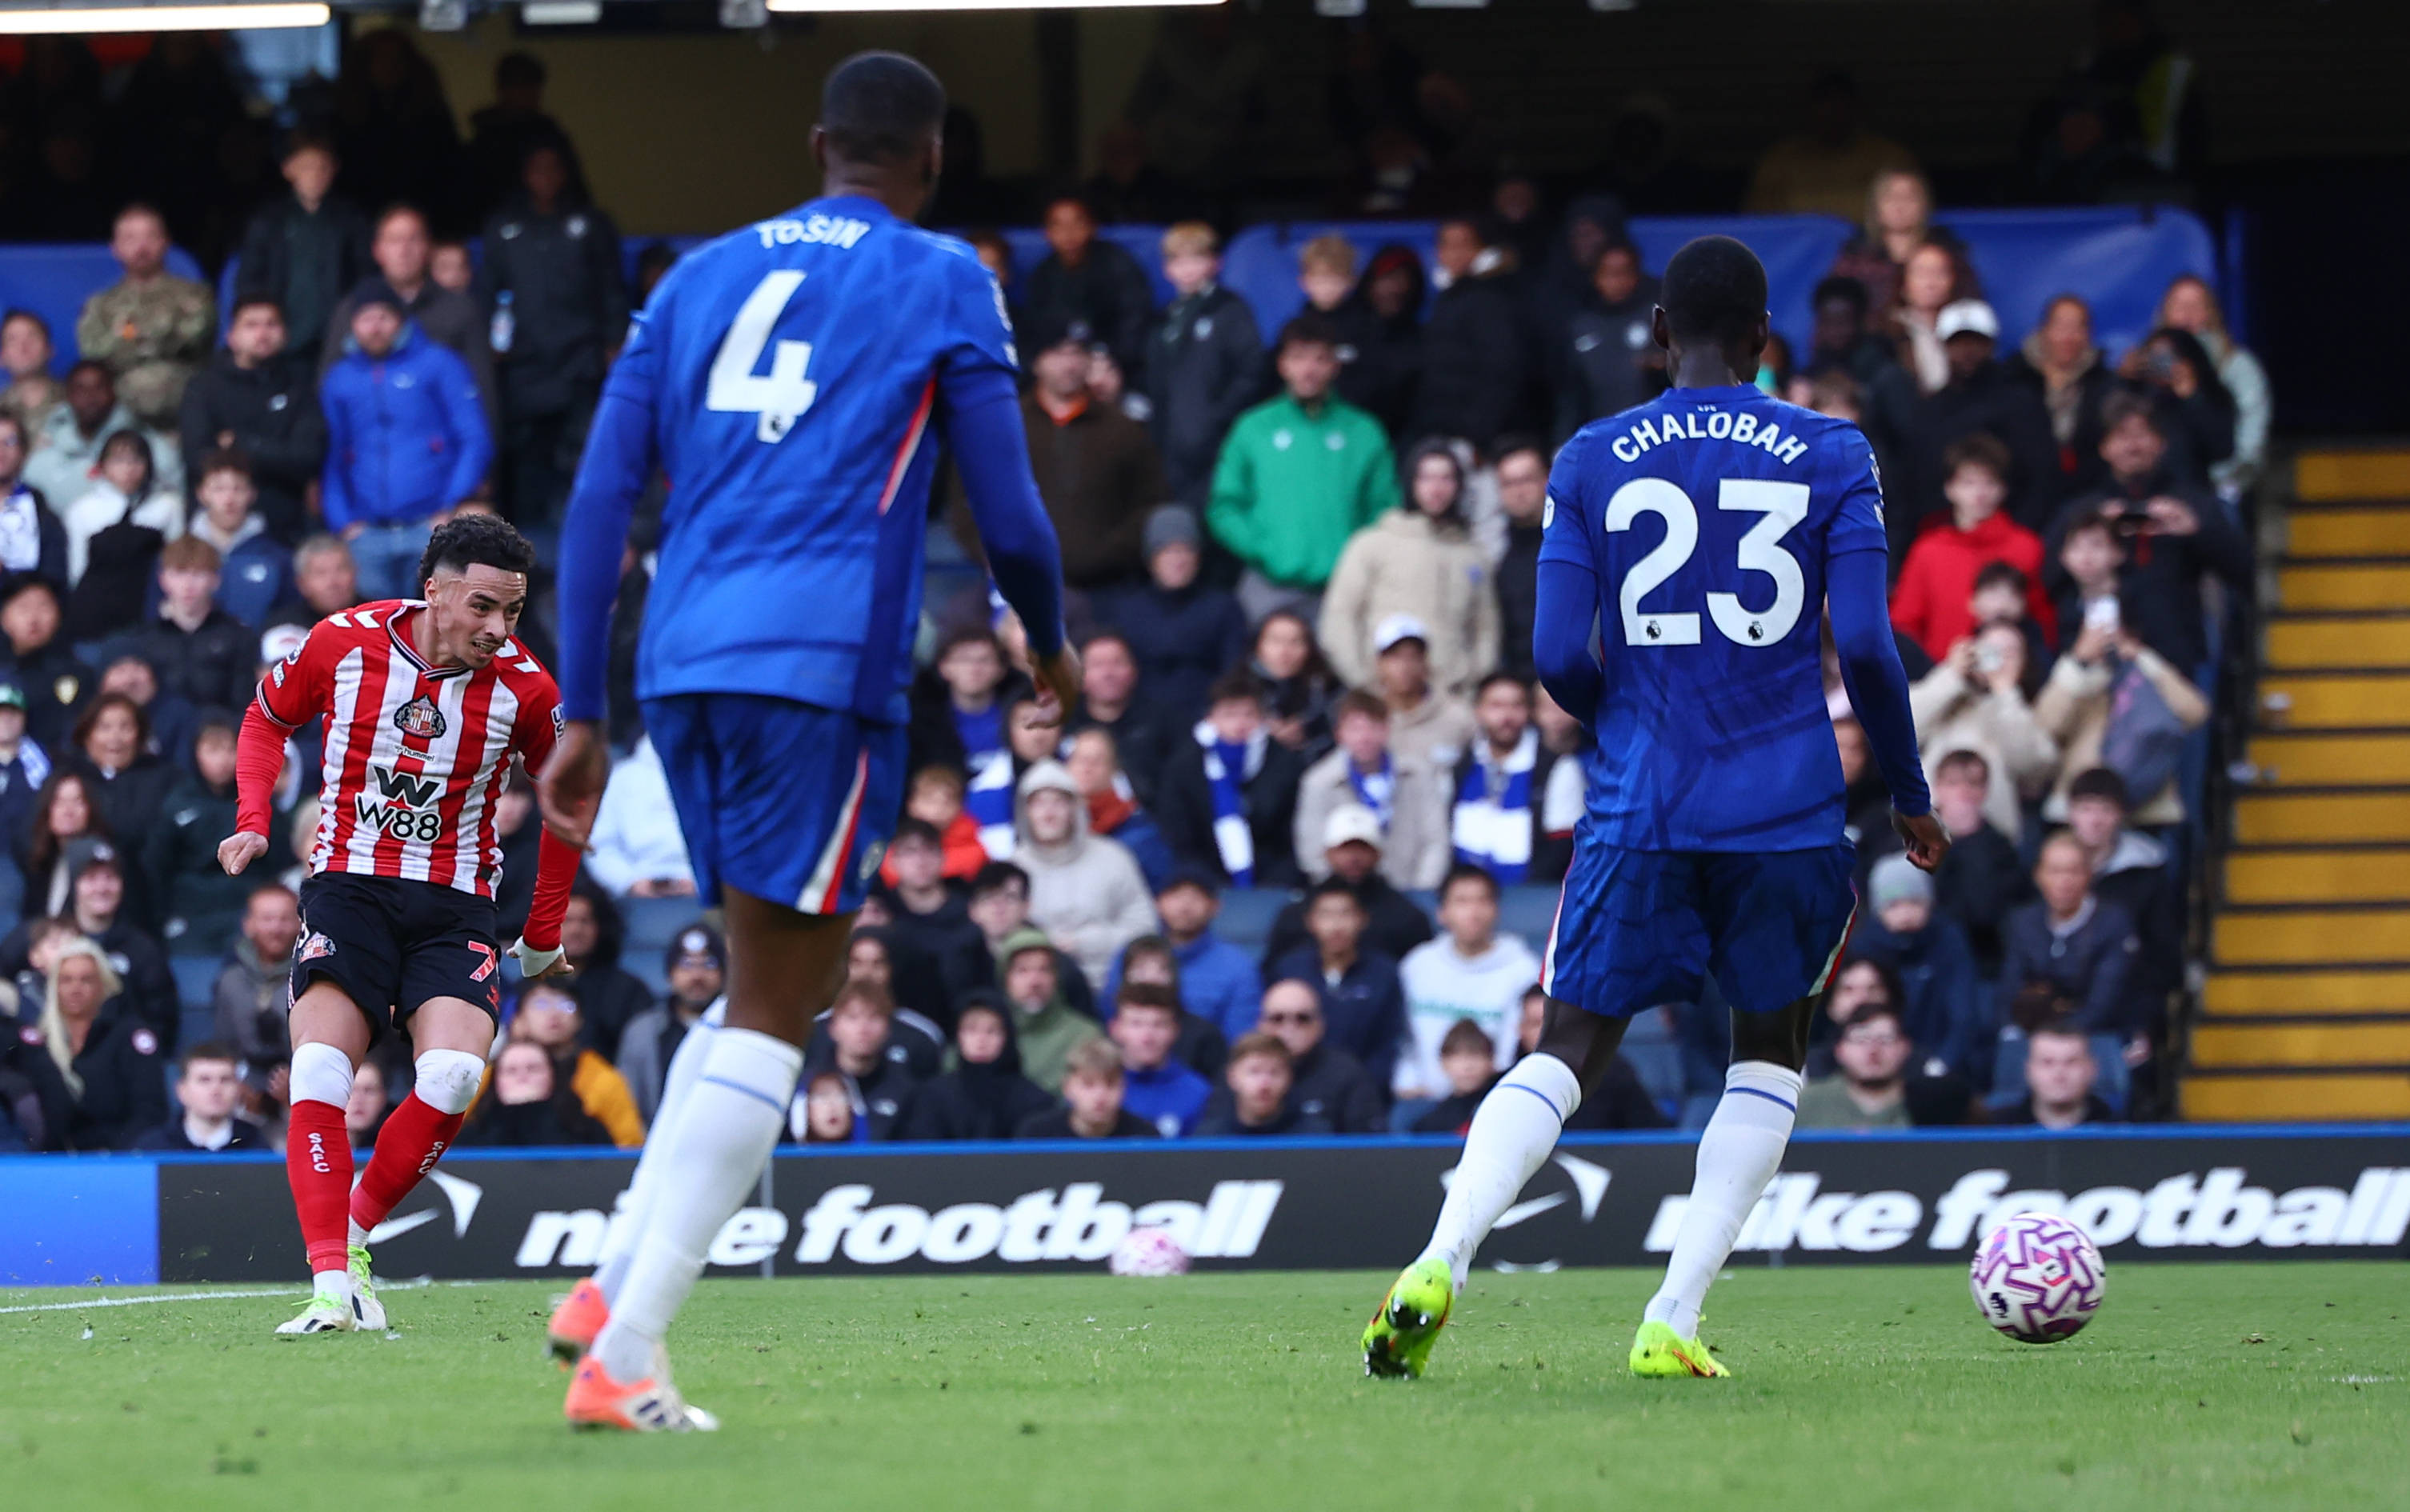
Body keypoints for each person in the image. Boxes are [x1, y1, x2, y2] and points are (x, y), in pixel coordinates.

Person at [538, 53, 1080, 1432]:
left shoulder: (696, 275)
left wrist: (588, 710)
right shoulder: (947, 274)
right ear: (933, 158)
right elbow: (1006, 510)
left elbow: (600, 497)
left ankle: (602, 1290)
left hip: (682, 669)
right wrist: (1047, 634)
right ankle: (628, 1356)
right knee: (787, 1011)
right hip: (817, 669)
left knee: (768, 981)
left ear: (818, 143)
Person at [1364, 235, 1946, 1382]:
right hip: (1784, 810)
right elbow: (1871, 644)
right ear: (1766, 337)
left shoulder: (1590, 455)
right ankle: (1671, 1314)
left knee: (1568, 1044)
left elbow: (1550, 656)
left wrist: (1616, 713)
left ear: (1661, 334)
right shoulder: (1833, 449)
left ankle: (1439, 1257)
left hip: (1641, 801)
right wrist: (1912, 795)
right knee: (1768, 1052)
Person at [218, 514, 583, 1337]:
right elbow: (265, 717)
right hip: (349, 890)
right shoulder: (341, 644)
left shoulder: (529, 691)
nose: (498, 629)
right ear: (435, 591)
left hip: (455, 908)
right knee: (316, 1070)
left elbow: (568, 806)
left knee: (455, 1076)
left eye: (512, 614)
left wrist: (544, 927)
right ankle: (325, 1288)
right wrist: (251, 815)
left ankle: (350, 1239)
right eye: (484, 607)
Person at [1207, 314, 1399, 626]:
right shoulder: (1254, 428)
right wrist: (1265, 551)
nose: (1309, 370)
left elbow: (1385, 509)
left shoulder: (1364, 432)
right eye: (1298, 358)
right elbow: (1224, 506)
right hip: (1267, 586)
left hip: (1343, 590)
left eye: (1320, 359)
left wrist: (1356, 562)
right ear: (1282, 365)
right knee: (1260, 674)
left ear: (1336, 366)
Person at [2044, 394, 2250, 674]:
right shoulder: (2083, 510)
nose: (2132, 446)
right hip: (2099, 655)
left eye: (2142, 434)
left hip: (2175, 653)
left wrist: (2196, 530)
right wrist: (2092, 535)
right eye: (2120, 436)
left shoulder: (2191, 502)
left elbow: (2243, 571)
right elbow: (2047, 577)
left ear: (2162, 444)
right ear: (2104, 448)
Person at [481, 142, 627, 526]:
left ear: (565, 174)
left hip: (580, 362)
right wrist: (491, 344)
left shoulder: (590, 223)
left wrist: (614, 342)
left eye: (552, 169)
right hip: (524, 367)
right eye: (536, 168)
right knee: (528, 466)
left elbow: (611, 287)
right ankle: (527, 560)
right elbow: (488, 292)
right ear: (525, 175)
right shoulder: (504, 226)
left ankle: (575, 543)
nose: (544, 178)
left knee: (581, 461)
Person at [318, 286, 494, 602]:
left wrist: (452, 505)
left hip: (431, 524)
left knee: (433, 626)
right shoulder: (339, 378)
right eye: (365, 318)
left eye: (384, 316)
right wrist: (342, 520)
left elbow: (474, 437)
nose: (375, 326)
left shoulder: (440, 363)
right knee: (377, 633)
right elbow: (329, 452)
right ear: (353, 324)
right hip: (365, 532)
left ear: (401, 320)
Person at [1320, 442, 1499, 699]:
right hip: (1384, 701)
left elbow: (1486, 629)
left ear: (1459, 485)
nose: (1436, 488)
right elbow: (1340, 618)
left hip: (1453, 701)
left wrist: (1472, 681)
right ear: (1409, 482)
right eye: (1426, 477)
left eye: (1446, 478)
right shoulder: (1372, 544)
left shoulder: (1471, 555)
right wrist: (1364, 683)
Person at [1006, 309, 1166, 594]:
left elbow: (1151, 501)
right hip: (1020, 583)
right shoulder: (1006, 424)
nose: (1070, 365)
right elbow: (969, 498)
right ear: (1037, 361)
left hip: (1108, 587)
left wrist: (1110, 552)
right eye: (1058, 353)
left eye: (1078, 353)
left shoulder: (1123, 429)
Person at [320, 206, 499, 435]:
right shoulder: (350, 310)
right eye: (394, 241)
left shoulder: (461, 310)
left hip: (444, 457)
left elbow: (484, 393)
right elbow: (328, 387)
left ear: (427, 249)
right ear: (377, 250)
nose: (404, 250)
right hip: (368, 453)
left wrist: (483, 466)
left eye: (413, 240)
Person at [1889, 434, 2056, 661]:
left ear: (2003, 489)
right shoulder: (1928, 550)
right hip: (1942, 677)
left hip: (2011, 676)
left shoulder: (2027, 547)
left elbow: (2042, 623)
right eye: (1968, 482)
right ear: (1950, 488)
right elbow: (1904, 625)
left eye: (1990, 482)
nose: (1979, 494)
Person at [1395, 863, 1539, 1114]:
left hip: (1495, 1103)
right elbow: (1401, 1037)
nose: (1473, 912)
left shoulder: (1524, 969)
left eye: (1482, 901)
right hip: (1421, 1100)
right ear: (1442, 912)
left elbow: (1517, 1044)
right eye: (1462, 901)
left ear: (1496, 910)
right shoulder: (1417, 965)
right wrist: (1408, 1080)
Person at [1996, 832, 2141, 1074]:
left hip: (2095, 1034)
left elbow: (2104, 1001)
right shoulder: (2023, 921)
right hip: (2032, 1035)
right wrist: (2013, 1028)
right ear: (2038, 876)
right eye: (2054, 871)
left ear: (2088, 875)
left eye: (2073, 871)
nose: (2064, 881)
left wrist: (2058, 1040)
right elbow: (2010, 987)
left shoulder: (2113, 922)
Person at [1011, 759, 1157, 993]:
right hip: (1038, 992)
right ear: (1025, 812)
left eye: (1058, 802)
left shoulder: (1113, 858)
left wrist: (1085, 943)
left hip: (1109, 987)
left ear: (1074, 809)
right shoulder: (1013, 868)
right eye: (1038, 804)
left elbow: (1144, 929)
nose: (1049, 813)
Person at [1908, 618, 2058, 842]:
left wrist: (2005, 693)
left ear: (2025, 664)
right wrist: (1952, 674)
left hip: (1993, 842)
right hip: (1925, 835)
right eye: (1989, 650)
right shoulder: (1946, 697)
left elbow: (2030, 766)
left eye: (2010, 654)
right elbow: (1901, 727)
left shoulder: (2030, 711)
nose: (1997, 660)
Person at [1154, 671, 1305, 890]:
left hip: (1274, 880)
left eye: (1248, 714)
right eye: (1230, 714)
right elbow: (1180, 839)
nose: (1240, 724)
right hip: (1203, 882)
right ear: (1211, 718)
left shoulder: (1285, 763)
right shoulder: (1185, 767)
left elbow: (1291, 838)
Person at [1147, 222, 1261, 507]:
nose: (1187, 269)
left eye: (1196, 259)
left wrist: (1216, 421)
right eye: (1178, 260)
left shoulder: (1231, 310)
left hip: (1217, 448)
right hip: (1171, 448)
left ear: (1215, 263)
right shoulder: (1166, 318)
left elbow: (1252, 373)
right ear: (1167, 268)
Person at [236, 134, 373, 366]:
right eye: (307, 167)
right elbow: (250, 279)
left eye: (323, 168)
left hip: (339, 337)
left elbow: (365, 274)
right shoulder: (269, 221)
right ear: (288, 170)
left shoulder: (351, 219)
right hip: (286, 338)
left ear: (334, 170)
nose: (316, 175)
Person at [1102, 508, 1246, 728]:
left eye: (1186, 550)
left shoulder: (1223, 608)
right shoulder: (1128, 610)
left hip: (1206, 719)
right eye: (1168, 551)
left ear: (1198, 557)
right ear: (1152, 559)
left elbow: (1233, 671)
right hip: (1139, 723)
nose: (1178, 560)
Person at [74, 204, 215, 429]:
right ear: (115, 247)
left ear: (166, 241)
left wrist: (128, 341)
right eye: (130, 238)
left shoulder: (195, 295)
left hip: (186, 409)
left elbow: (191, 339)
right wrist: (159, 337)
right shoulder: (100, 305)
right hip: (120, 416)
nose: (141, 247)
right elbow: (93, 352)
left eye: (150, 236)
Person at [1294, 690, 1450, 892]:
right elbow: (1312, 850)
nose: (1365, 737)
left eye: (1373, 727)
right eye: (1355, 729)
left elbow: (1435, 840)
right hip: (1344, 897)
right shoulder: (1319, 781)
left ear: (1387, 730)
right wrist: (1341, 895)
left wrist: (1422, 890)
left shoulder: (1418, 773)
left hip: (1410, 890)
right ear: (1339, 734)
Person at [1412, 217, 1541, 454]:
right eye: (1447, 245)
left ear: (1480, 249)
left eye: (1464, 244)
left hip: (1479, 442)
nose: (1455, 253)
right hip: (1443, 435)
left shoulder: (1491, 299)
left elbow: (1503, 372)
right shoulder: (1446, 298)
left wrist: (1478, 437)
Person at [1267, 878, 1407, 1089]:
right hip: (1293, 1089)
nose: (1336, 925)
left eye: (1345, 914)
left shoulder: (1383, 973)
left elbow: (1387, 1044)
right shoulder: (1289, 969)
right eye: (1326, 915)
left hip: (1362, 1091)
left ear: (1363, 919)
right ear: (1310, 921)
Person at [37, 938, 166, 1150]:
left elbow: (150, 1111)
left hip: (117, 1158)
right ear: (54, 987)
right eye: (66, 980)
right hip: (54, 1161)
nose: (75, 989)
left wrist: (113, 1158)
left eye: (86, 980)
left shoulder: (131, 1036)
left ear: (103, 985)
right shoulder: (39, 1042)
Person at [24, 362, 180, 533]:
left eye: (99, 388)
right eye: (81, 389)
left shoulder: (150, 448)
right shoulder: (43, 457)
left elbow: (176, 502)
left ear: (113, 393)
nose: (90, 397)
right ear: (68, 396)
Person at [1743, 70, 1919, 221]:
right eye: (1826, 107)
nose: (1833, 116)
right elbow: (1759, 221)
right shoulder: (1780, 161)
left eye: (1840, 107)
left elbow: (1915, 216)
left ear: (1855, 110)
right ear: (1810, 111)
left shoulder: (1889, 157)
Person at [141, 711, 251, 949]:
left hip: (243, 916)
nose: (222, 759)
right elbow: (157, 865)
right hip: (188, 917)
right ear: (195, 753)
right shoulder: (176, 803)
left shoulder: (256, 802)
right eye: (212, 749)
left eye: (230, 749)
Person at [2156, 274, 2268, 501]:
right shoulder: (2148, 365)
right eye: (2179, 305)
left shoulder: (2236, 365)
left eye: (2196, 305)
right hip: (2160, 491)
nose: (2187, 313)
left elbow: (2250, 445)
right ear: (2165, 314)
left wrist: (2216, 487)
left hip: (2221, 490)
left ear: (2211, 314)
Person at [1450, 674, 1566, 886]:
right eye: (1496, 706)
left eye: (1516, 706)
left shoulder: (1556, 767)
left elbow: (1561, 849)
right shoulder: (1462, 764)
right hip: (1467, 895)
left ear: (1529, 711)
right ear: (1479, 711)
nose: (1507, 716)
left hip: (1529, 898)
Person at [1019, 194, 1155, 377]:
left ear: (1093, 227)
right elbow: (1035, 331)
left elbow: (1134, 323)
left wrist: (1112, 360)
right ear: (1047, 233)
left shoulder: (1119, 265)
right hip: (1059, 363)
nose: (1068, 233)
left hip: (1111, 364)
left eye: (1077, 223)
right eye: (1058, 225)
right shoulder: (1042, 275)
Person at [504, 978, 645, 1147]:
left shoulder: (605, 1080)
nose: (554, 1014)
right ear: (517, 1018)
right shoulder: (493, 1075)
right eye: (540, 1004)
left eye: (566, 1005)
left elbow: (628, 1148)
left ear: (581, 1019)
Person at [896, 990, 1054, 1141]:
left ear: (1007, 1037)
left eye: (992, 1031)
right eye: (971, 1030)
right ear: (959, 1036)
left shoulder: (1035, 1101)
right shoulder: (931, 1097)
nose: (981, 1040)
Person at [1236, 974, 1383, 1134]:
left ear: (1320, 1025)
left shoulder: (1347, 1074)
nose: (1289, 1028)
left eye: (1302, 1018)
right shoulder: (1241, 1069)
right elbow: (1214, 1138)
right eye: (1278, 1018)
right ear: (1261, 1024)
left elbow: (1369, 1147)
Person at [1131, 866, 1260, 1044]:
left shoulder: (1238, 968)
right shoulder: (1134, 954)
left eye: (1195, 897)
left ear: (1216, 907)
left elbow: (1240, 1041)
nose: (1185, 907)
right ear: (1157, 902)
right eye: (1176, 895)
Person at [130, 537, 258, 715]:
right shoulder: (143, 639)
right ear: (163, 579)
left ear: (215, 580)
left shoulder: (239, 636)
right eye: (179, 573)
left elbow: (244, 704)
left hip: (222, 735)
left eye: (198, 574)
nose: (188, 585)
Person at [613, 926, 727, 1123]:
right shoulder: (643, 1031)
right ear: (669, 975)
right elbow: (628, 1102)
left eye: (709, 964)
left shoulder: (737, 1029)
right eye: (687, 964)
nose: (697, 976)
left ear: (724, 974)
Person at [1555, 240, 1661, 441]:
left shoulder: (1660, 320)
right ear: (1596, 277)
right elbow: (1571, 396)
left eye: (1625, 272)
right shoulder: (1581, 327)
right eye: (1610, 273)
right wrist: (1561, 441)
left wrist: (1661, 369)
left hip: (1655, 438)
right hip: (1600, 440)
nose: (1618, 281)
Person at [186, 451, 295, 628]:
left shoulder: (277, 557)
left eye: (238, 489)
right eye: (219, 489)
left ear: (252, 494)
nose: (229, 499)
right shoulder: (179, 555)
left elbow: (290, 621)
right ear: (202, 494)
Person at [802, 979, 918, 1142]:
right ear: (833, 1027)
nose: (863, 1028)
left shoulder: (907, 1091)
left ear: (888, 1028)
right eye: (852, 1017)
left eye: (873, 1017)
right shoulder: (805, 1087)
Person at [212, 884, 299, 1094]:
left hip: (302, 1082)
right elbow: (225, 1047)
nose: (276, 929)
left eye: (285, 919)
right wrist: (240, 1088)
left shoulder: (314, 978)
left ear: (300, 924)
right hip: (244, 1088)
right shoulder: (230, 980)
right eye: (267, 919)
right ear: (248, 925)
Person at [458, 1041, 614, 1147]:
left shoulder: (587, 1132)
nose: (522, 1076)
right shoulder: (468, 1139)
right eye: (511, 1071)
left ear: (553, 1077)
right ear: (495, 1082)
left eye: (533, 1068)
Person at [1108, 981, 1211, 1137]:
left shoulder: (1198, 1094)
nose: (1148, 1037)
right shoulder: (1094, 1089)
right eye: (1136, 1024)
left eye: (1159, 1025)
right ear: (1116, 1029)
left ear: (1175, 1031)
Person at [1793, 1002, 1915, 1131]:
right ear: (1840, 1049)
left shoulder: (1928, 1103)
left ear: (1905, 1047)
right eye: (1861, 1040)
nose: (1873, 1050)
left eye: (1885, 1040)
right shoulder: (1807, 1102)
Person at [1013, 1034, 1155, 1140]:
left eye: (1111, 1084)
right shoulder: (1036, 1135)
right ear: (1067, 1087)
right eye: (1088, 1084)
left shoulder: (1145, 1138)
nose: (1100, 1096)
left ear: (1124, 1087)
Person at [133, 1040, 266, 1152]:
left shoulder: (257, 1146)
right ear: (182, 1090)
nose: (216, 1090)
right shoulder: (153, 1148)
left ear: (238, 1088)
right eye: (204, 1080)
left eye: (225, 1080)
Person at [1193, 1031, 1327, 1137]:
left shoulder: (1315, 1137)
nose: (1265, 1084)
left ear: (1289, 1078)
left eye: (1274, 1073)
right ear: (1232, 1077)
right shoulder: (1208, 1140)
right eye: (1254, 1072)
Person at [1491, 440, 1548, 683]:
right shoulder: (1495, 555)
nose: (1519, 491)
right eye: (1509, 483)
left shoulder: (1580, 546)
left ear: (1548, 480)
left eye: (1527, 479)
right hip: (1518, 695)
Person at [1999, 1018, 2115, 1129]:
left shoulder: (2119, 1130)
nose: (2059, 1075)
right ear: (2028, 1070)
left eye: (2071, 1062)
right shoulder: (1999, 1131)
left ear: (2091, 1069)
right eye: (2047, 1063)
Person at [0, 310, 63, 440]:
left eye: (32, 337)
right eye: (12, 340)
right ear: (2, 357)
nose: (23, 347)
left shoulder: (74, 400)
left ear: (50, 349)